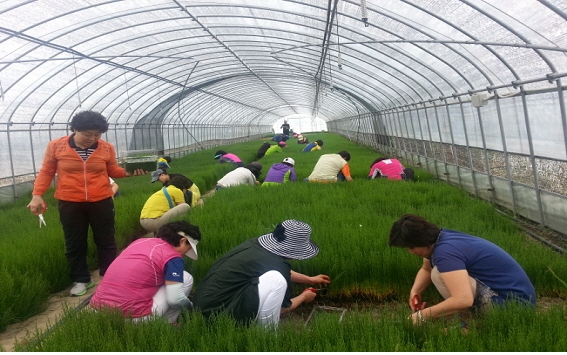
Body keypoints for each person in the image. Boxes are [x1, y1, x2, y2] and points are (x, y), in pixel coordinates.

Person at [26, 110, 145, 297]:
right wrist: (37, 194)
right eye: (87, 134)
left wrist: (128, 172)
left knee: (106, 239)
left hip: (101, 200)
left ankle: (109, 276)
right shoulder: (56, 146)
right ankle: (82, 279)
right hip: (70, 201)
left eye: (97, 135)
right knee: (74, 242)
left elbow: (112, 169)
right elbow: (47, 171)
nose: (92, 138)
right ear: (75, 129)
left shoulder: (106, 148)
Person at [388, 214, 536, 325]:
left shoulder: (445, 253)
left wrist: (421, 316)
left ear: (422, 240)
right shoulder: (441, 239)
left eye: (412, 247)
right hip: (513, 299)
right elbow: (426, 269)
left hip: (514, 307)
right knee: (435, 272)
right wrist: (415, 292)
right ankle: (471, 321)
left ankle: (470, 326)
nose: (411, 252)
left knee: (439, 274)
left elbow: (463, 300)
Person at [193, 219, 331, 327]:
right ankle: (266, 334)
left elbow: (281, 270)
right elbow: (282, 308)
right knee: (277, 281)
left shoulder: (255, 245)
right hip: (218, 315)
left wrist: (310, 280)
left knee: (276, 276)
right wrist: (303, 297)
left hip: (203, 304)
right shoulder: (279, 267)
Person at [90, 221, 201, 324]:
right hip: (132, 317)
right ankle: (168, 323)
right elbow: (175, 299)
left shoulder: (140, 242)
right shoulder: (172, 257)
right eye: (188, 248)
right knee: (186, 278)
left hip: (97, 310)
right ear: (182, 241)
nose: (185, 253)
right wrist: (191, 308)